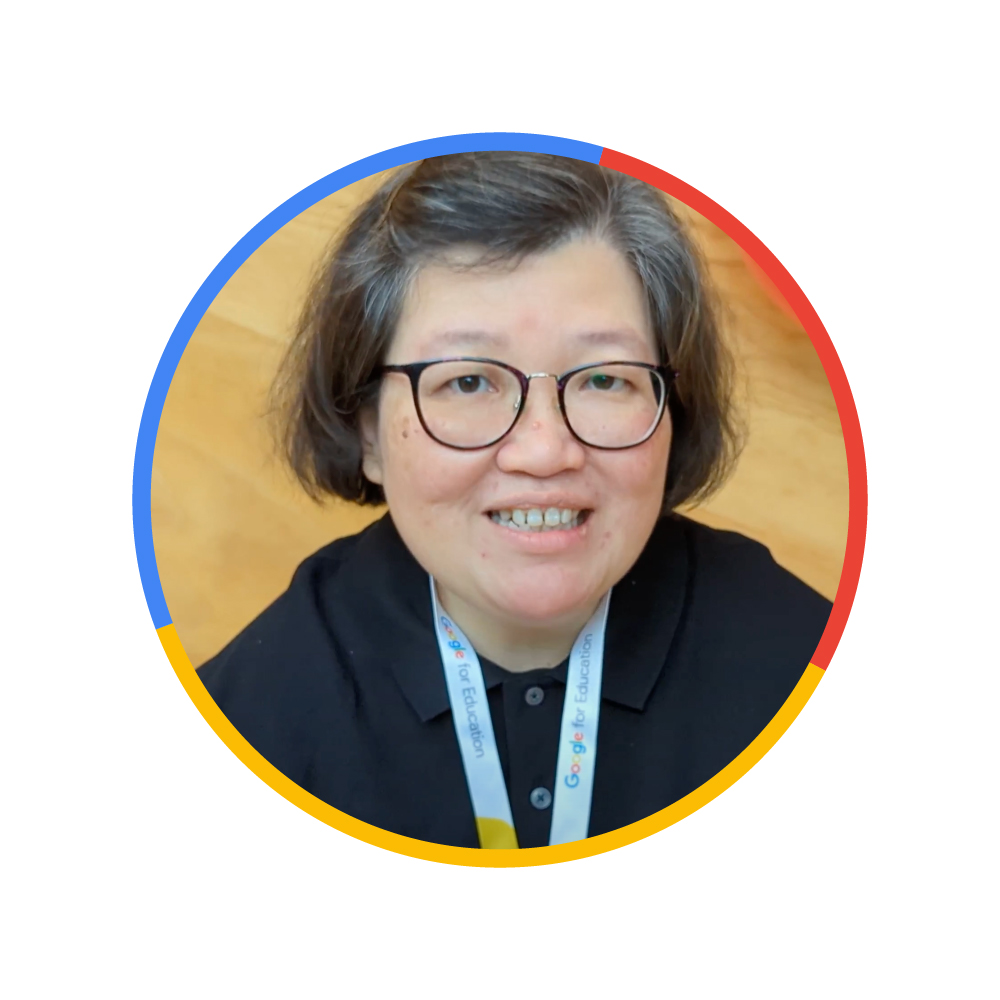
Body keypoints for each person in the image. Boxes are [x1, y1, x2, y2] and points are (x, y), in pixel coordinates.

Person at [198, 152, 832, 850]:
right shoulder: (241, 729)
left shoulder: (805, 664)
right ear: (368, 431)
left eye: (604, 380)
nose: (543, 450)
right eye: (468, 382)